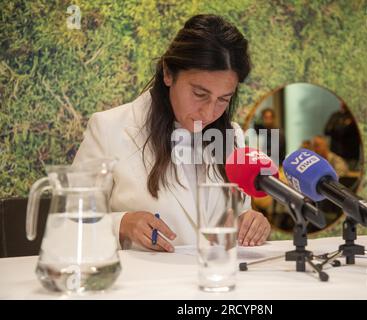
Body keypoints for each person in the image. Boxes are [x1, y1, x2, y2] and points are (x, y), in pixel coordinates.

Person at [73, 14, 270, 252]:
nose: (208, 113)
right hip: (144, 285)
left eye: (223, 100)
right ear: (168, 73)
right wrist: (121, 224)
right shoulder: (107, 129)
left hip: (216, 280)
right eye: (199, 94)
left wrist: (251, 222)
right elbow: (69, 224)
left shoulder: (233, 137)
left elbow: (236, 219)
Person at [324, 101, 360, 169]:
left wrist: (339, 128)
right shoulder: (335, 116)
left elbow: (345, 132)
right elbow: (327, 130)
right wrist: (343, 126)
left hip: (351, 155)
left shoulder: (355, 117)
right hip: (336, 154)